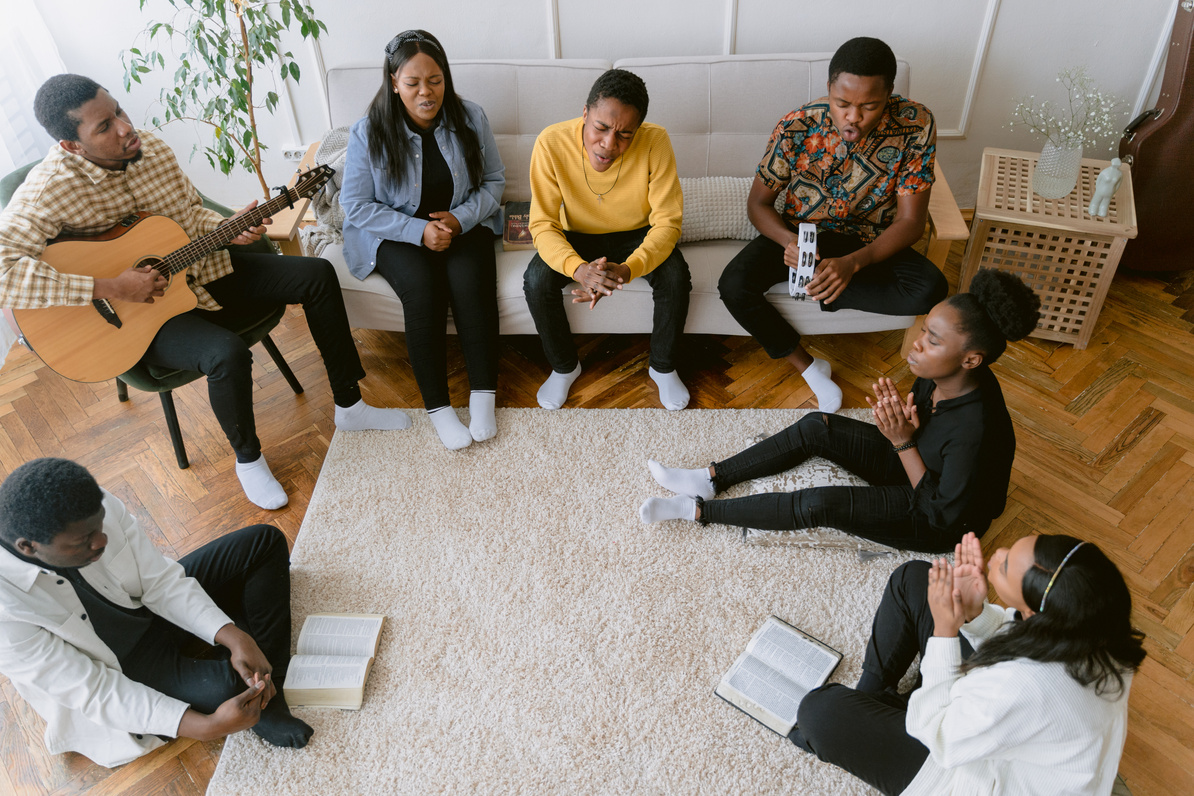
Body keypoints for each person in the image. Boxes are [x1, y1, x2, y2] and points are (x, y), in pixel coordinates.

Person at [0, 74, 412, 510]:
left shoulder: (151, 148)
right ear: (72, 146)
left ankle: (350, 405)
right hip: (134, 319)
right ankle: (248, 460)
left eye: (119, 110)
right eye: (103, 127)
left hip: (200, 271)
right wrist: (112, 285)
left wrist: (228, 230)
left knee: (318, 274)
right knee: (226, 353)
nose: (125, 128)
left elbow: (189, 217)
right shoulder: (50, 190)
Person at [639, 269, 1040, 553]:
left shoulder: (978, 429)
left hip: (937, 520)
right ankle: (710, 478)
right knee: (818, 426)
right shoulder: (939, 375)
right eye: (923, 330)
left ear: (971, 360)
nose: (917, 344)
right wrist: (904, 426)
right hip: (912, 461)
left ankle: (697, 510)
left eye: (933, 340)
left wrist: (902, 443)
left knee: (820, 504)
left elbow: (939, 512)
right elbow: (921, 432)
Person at [0, 458, 312, 768]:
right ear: (28, 546)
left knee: (262, 542)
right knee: (232, 689)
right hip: (122, 667)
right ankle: (261, 688)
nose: (102, 540)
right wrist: (206, 727)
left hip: (147, 609)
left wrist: (233, 635)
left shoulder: (87, 505)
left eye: (100, 525)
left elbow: (159, 580)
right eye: (85, 540)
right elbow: (95, 690)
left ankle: (269, 682)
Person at [789, 532, 1145, 795]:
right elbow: (1022, 639)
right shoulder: (1097, 629)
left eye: (1005, 567)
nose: (998, 554)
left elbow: (939, 734)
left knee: (818, 713)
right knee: (914, 578)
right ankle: (871, 700)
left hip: (972, 779)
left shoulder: (1023, 684)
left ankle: (866, 713)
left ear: (1036, 611)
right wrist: (974, 614)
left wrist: (945, 631)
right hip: (1015, 735)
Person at [718, 37, 949, 414]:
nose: (852, 117)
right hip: (803, 235)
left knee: (930, 288)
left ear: (889, 94)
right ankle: (809, 369)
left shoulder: (916, 125)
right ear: (829, 90)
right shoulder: (796, 126)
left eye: (868, 106)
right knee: (733, 284)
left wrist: (853, 264)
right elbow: (758, 204)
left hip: (873, 240)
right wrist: (788, 242)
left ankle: (819, 286)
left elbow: (911, 222)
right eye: (842, 104)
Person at [341, 30, 505, 450]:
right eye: (412, 83)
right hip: (393, 230)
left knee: (472, 280)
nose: (425, 92)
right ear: (394, 83)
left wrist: (461, 218)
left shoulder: (471, 117)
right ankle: (439, 408)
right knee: (423, 288)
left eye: (434, 80)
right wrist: (418, 231)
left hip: (459, 222)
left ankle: (483, 394)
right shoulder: (368, 132)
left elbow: (493, 182)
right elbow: (357, 205)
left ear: (445, 78)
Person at [524, 68, 692, 411]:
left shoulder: (656, 140)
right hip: (576, 235)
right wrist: (579, 270)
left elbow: (668, 224)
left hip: (636, 234)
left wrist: (628, 269)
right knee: (535, 280)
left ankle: (663, 367)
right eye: (600, 128)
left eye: (625, 135)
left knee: (676, 276)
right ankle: (564, 367)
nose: (608, 145)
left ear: (639, 129)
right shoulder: (551, 141)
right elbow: (541, 224)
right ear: (585, 113)